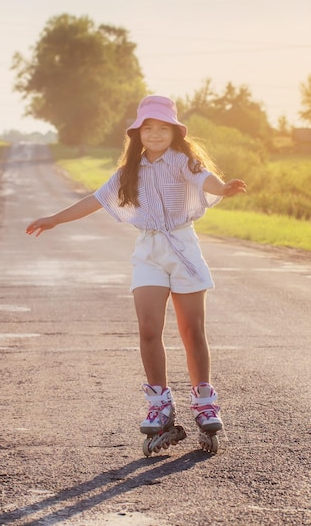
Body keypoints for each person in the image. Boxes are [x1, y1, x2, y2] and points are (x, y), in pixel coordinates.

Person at [26, 95, 246, 440]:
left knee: (193, 332)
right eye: (148, 128)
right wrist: (54, 219)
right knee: (148, 328)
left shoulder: (182, 161)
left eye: (163, 128)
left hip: (183, 247)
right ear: (137, 134)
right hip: (148, 252)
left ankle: (204, 400)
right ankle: (159, 403)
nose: (155, 134)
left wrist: (225, 188)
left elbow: (207, 180)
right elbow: (95, 200)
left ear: (175, 132)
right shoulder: (129, 171)